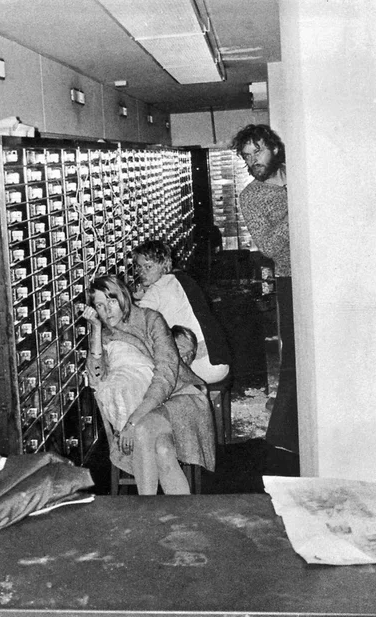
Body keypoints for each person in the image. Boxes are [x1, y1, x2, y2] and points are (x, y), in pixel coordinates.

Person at [83, 275, 215, 496]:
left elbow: (166, 375)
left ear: (124, 296)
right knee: (163, 450)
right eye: (99, 305)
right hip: (150, 408)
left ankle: (145, 514)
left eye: (112, 301)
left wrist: (132, 422)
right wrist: (95, 329)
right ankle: (185, 519)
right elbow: (96, 377)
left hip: (181, 398)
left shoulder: (150, 319)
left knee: (142, 430)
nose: (107, 311)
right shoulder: (106, 334)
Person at [232, 123, 298, 456]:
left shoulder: (302, 172)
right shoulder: (251, 196)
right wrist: (298, 206)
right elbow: (270, 246)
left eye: (257, 151)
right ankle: (282, 441)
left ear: (273, 147)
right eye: (246, 156)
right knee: (296, 360)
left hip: (326, 274)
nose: (252, 160)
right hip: (290, 279)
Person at [132, 239, 231, 385]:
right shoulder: (181, 279)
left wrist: (130, 299)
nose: (142, 272)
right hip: (219, 361)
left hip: (199, 367)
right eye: (139, 267)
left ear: (163, 265)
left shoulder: (156, 290)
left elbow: (134, 321)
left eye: (148, 267)